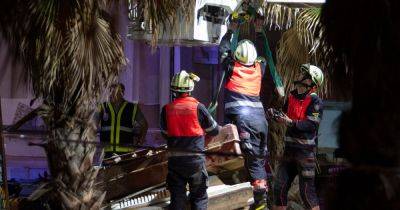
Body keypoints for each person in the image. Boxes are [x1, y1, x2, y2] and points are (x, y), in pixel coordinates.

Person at [219, 18, 270, 209]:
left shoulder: (232, 68)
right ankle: (257, 200)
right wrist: (258, 30)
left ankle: (260, 204)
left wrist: (231, 30)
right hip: (260, 121)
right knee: (257, 160)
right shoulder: (259, 68)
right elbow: (264, 55)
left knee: (252, 163)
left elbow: (223, 50)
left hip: (244, 122)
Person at [160, 70, 220, 210]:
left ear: (173, 90)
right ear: (191, 88)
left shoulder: (166, 110)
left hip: (176, 163)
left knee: (177, 200)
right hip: (195, 163)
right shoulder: (198, 107)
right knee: (199, 198)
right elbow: (215, 130)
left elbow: (165, 134)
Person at [271, 64, 324, 210]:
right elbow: (284, 115)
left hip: (305, 154)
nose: (299, 75)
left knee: (307, 194)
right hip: (289, 152)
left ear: (310, 82)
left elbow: (311, 125)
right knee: (279, 189)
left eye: (303, 74)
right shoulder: (292, 97)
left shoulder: (316, 103)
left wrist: (289, 122)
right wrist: (275, 115)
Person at [98, 83, 148, 158]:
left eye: (117, 91)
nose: (113, 94)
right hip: (107, 152)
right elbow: (92, 125)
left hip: (126, 152)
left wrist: (140, 141)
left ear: (122, 93)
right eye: (112, 91)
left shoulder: (132, 107)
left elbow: (144, 125)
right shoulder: (103, 107)